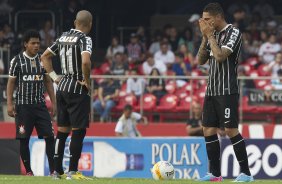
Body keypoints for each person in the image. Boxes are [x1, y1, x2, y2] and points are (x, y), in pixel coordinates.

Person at [197, 3, 253, 182]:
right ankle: (214, 173)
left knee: (230, 129)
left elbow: (220, 56)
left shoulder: (233, 32)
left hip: (227, 90)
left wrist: (210, 36)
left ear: (218, 17)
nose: (204, 23)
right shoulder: (211, 34)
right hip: (211, 89)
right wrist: (206, 37)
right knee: (208, 129)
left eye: (207, 19)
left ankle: (246, 173)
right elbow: (200, 60)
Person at [41, 10, 93, 180]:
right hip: (77, 89)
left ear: (75, 22)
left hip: (62, 87)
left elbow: (45, 56)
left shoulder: (63, 37)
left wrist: (55, 78)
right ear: (89, 24)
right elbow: (85, 61)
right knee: (78, 131)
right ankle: (72, 171)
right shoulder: (85, 39)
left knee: (62, 132)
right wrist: (86, 81)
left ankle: (56, 171)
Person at [7, 30, 56, 176]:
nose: (36, 45)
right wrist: (10, 104)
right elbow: (11, 83)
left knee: (49, 136)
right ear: (25, 44)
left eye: (38, 43)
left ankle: (53, 171)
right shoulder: (16, 60)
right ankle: (28, 171)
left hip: (40, 106)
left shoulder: (43, 60)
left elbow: (48, 81)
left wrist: (54, 103)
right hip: (23, 108)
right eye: (33, 43)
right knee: (23, 139)